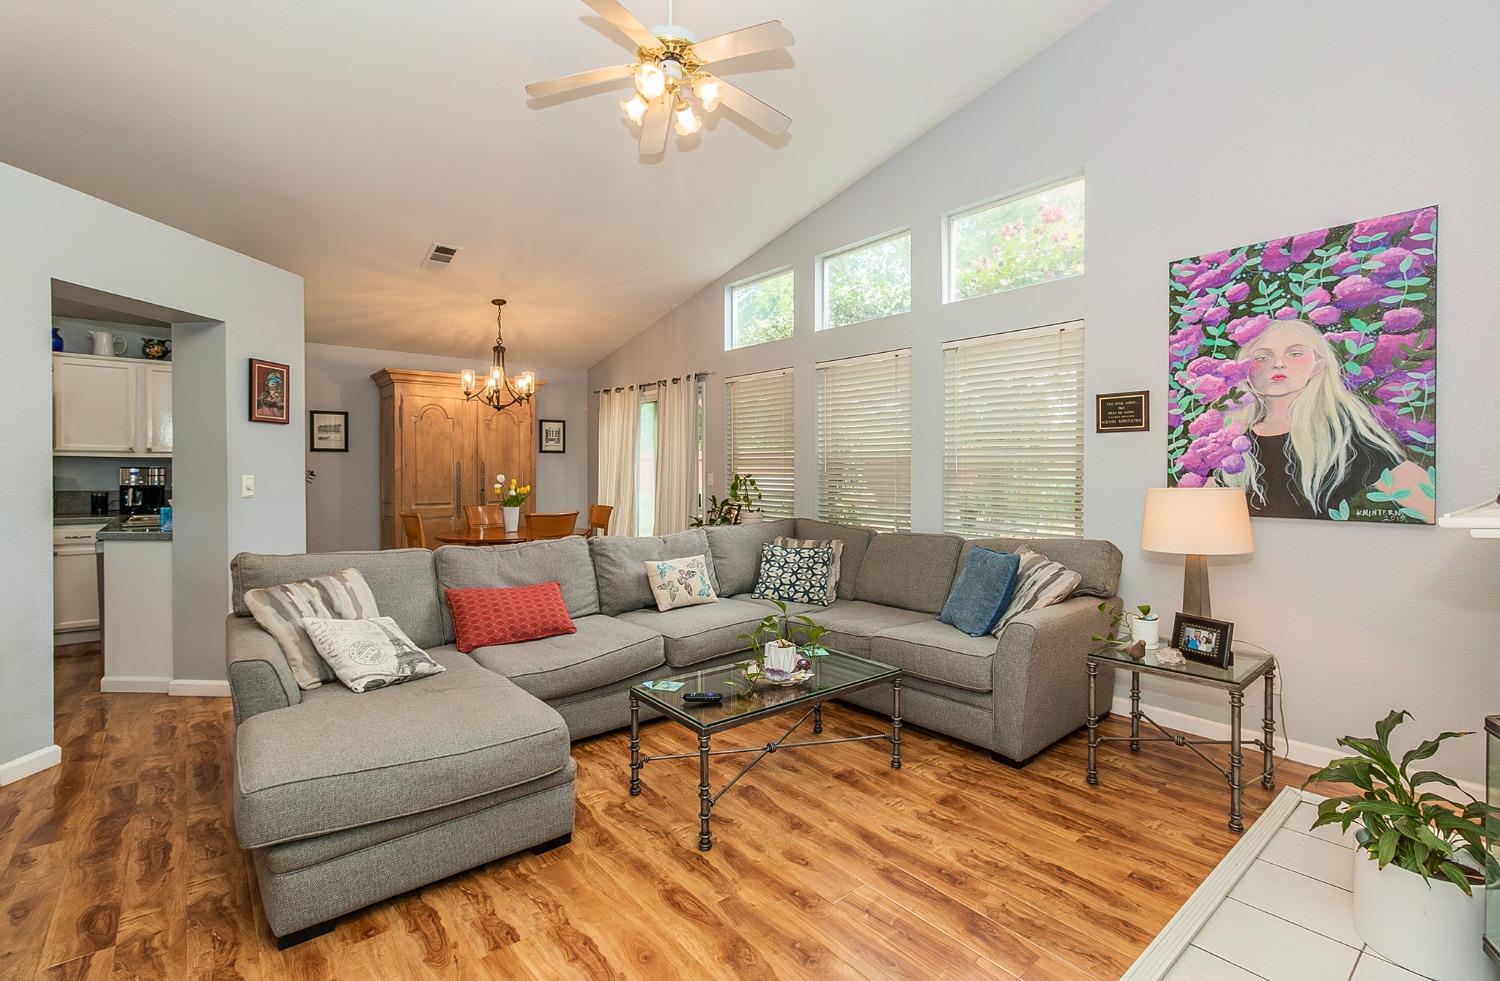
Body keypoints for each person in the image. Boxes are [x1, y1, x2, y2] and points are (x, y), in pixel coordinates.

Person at [1220, 320, 1434, 522]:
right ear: (1244, 370)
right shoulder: (1231, 444)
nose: (1278, 364)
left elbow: (1430, 501)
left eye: (1295, 354)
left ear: (1318, 365)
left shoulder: (1343, 438)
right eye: (1261, 357)